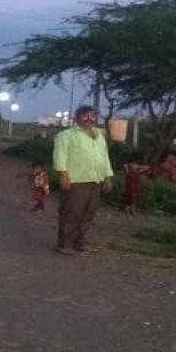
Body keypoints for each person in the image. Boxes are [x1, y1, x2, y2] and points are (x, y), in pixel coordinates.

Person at [52, 104, 113, 255]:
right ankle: (64, 244)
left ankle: (80, 242)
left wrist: (107, 177)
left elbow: (104, 157)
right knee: (71, 212)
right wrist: (63, 175)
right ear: (77, 118)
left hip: (95, 179)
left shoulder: (99, 136)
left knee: (89, 213)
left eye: (92, 116)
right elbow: (60, 156)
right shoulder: (66, 135)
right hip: (76, 180)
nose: (89, 119)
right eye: (85, 115)